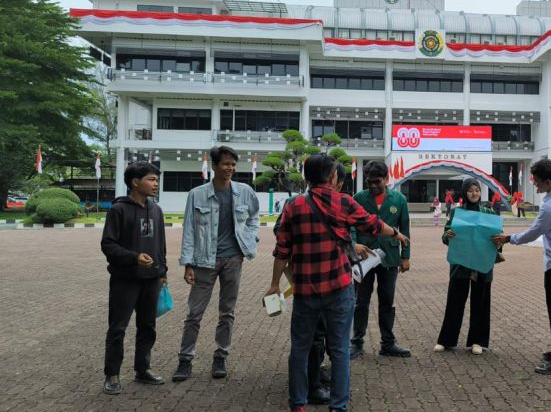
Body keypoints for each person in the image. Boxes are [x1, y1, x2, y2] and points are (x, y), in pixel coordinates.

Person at [267, 153, 410, 412]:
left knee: (299, 348)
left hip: (305, 290)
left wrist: (275, 284)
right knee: (340, 350)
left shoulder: (294, 205)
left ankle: (298, 404)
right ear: (332, 176)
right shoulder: (343, 202)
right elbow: (373, 225)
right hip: (338, 288)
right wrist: (396, 233)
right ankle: (338, 406)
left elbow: (282, 250)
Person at [172, 146, 260, 382]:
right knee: (194, 313)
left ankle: (221, 355)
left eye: (233, 164)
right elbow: (189, 230)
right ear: (214, 166)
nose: (230, 168)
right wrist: (187, 263)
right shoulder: (197, 194)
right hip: (204, 260)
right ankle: (185, 359)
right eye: (225, 164)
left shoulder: (245, 192)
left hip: (233, 259)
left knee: (227, 311)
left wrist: (250, 239)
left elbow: (254, 218)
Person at [492, 159, 551, 375]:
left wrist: (508, 238)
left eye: (537, 181)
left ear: (549, 181)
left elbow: (534, 232)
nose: (535, 185)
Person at [100, 161, 168, 394]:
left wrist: (162, 271)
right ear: (135, 182)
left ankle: (142, 369)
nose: (155, 184)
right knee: (118, 328)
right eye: (151, 179)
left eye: (156, 180)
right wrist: (133, 257)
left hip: (151, 279)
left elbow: (161, 244)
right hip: (125, 280)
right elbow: (107, 245)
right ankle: (112, 374)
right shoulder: (118, 210)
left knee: (148, 326)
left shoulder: (156, 209)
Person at [350, 161, 413, 359]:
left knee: (387, 301)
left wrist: (406, 256)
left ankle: (388, 343)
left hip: (390, 258)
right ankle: (356, 343)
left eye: (377, 181)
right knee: (361, 302)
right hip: (364, 257)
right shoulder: (358, 198)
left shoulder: (399, 199)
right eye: (369, 182)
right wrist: (353, 245)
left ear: (386, 179)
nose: (373, 186)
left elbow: (405, 228)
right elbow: (350, 225)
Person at [435, 178, 502, 355]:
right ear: (464, 193)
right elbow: (445, 236)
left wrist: (499, 240)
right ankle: (446, 340)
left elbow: (497, 237)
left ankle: (477, 341)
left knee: (480, 302)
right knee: (454, 302)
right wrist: (447, 235)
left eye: (477, 190)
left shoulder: (488, 212)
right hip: (461, 264)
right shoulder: (457, 213)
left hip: (482, 264)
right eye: (471, 190)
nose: (474, 193)